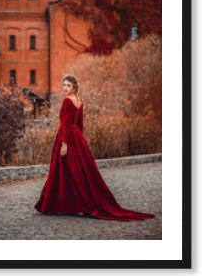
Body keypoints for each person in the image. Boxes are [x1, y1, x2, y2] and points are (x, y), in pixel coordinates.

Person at [34, 74, 154, 221]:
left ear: (75, 87)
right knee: (73, 171)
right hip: (76, 137)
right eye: (64, 85)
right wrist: (80, 141)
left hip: (67, 137)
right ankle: (73, 204)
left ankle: (61, 204)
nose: (65, 88)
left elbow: (66, 124)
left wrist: (65, 144)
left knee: (63, 170)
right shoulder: (80, 100)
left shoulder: (67, 102)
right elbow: (79, 124)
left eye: (68, 85)